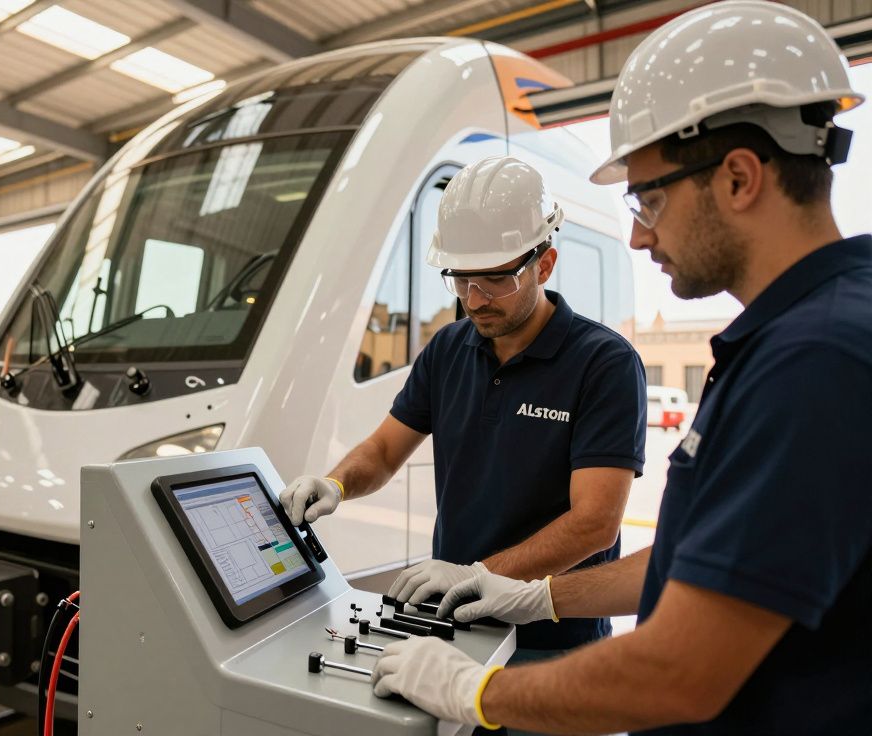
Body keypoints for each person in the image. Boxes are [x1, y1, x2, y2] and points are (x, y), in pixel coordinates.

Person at [367, 2, 871, 733]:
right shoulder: (801, 335)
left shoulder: (815, 363)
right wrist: (537, 596)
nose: (636, 235)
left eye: (650, 196)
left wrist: (478, 694)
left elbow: (678, 672)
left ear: (738, 178)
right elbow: (701, 569)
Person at [280, 157, 647, 672]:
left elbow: (594, 524)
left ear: (543, 264)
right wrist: (336, 484)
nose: (474, 300)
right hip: (453, 627)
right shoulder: (448, 348)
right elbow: (385, 450)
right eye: (460, 279)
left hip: (553, 642)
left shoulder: (603, 363)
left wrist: (477, 575)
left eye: (496, 280)